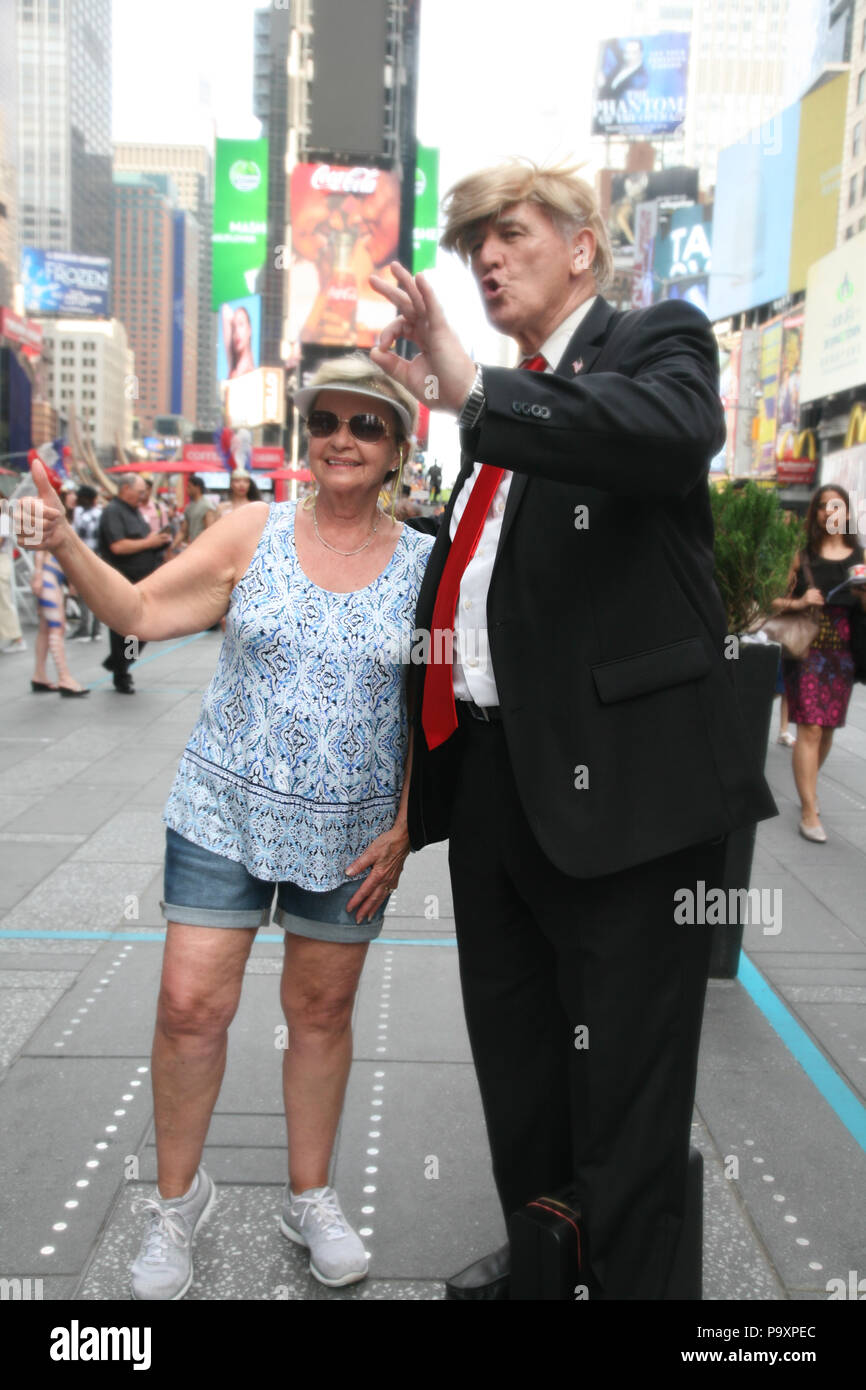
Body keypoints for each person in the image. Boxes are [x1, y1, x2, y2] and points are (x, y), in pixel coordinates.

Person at [369, 158, 777, 1300]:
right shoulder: (503, 418)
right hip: (501, 791)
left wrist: (477, 390)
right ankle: (548, 1262)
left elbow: (665, 434)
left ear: (581, 244)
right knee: (521, 1076)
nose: (484, 260)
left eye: (506, 234)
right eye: (469, 249)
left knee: (630, 1102)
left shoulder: (658, 341)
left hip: (631, 803)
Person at [9, 355, 432, 1300]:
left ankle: (310, 1195)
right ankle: (175, 1205)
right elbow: (143, 609)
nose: (343, 439)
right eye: (327, 420)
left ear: (399, 446)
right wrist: (65, 549)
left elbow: (432, 713)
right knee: (189, 1008)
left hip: (351, 831)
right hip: (223, 810)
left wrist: (408, 824)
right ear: (305, 434)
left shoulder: (424, 567)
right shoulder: (252, 530)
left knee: (320, 1015)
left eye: (368, 425)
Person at [774, 484, 866, 844]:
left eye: (838, 507)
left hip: (842, 654)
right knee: (809, 729)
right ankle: (809, 810)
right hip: (808, 650)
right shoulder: (802, 555)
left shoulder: (859, 554)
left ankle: (808, 787)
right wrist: (800, 602)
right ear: (815, 514)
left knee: (826, 732)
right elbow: (773, 598)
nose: (831, 514)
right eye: (824, 507)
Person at [98, 474, 172, 694]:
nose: (143, 496)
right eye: (140, 491)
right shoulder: (113, 511)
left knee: (140, 629)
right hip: (123, 578)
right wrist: (148, 542)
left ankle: (119, 662)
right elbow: (118, 547)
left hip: (142, 578)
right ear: (125, 489)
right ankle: (121, 671)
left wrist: (156, 543)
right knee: (127, 629)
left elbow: (140, 542)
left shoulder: (133, 510)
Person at [70, 484, 103, 641]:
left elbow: (75, 539)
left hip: (85, 559)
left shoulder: (81, 516)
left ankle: (85, 628)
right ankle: (96, 630)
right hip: (100, 559)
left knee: (85, 594)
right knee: (98, 595)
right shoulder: (101, 513)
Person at [176, 476, 217, 548]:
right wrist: (173, 546)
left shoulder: (207, 506)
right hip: (193, 547)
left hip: (203, 548)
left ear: (197, 487)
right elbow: (183, 531)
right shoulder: (188, 507)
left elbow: (210, 531)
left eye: (189, 486)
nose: (187, 489)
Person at [221, 304, 256, 380]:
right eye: (233, 327)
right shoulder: (233, 367)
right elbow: (225, 310)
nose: (237, 332)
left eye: (241, 324)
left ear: (249, 329)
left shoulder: (252, 371)